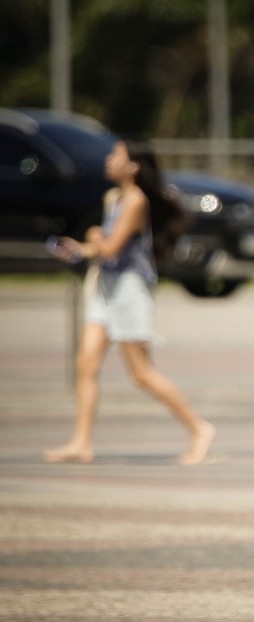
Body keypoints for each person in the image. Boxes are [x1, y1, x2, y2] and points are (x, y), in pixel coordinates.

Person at [43, 139, 215, 466]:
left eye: (115, 155)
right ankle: (81, 443)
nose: (109, 160)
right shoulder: (114, 198)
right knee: (86, 365)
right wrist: (80, 248)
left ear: (133, 165)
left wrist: (95, 238)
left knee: (141, 373)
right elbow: (102, 251)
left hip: (129, 291)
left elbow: (111, 248)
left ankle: (199, 427)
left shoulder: (136, 201)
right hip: (106, 288)